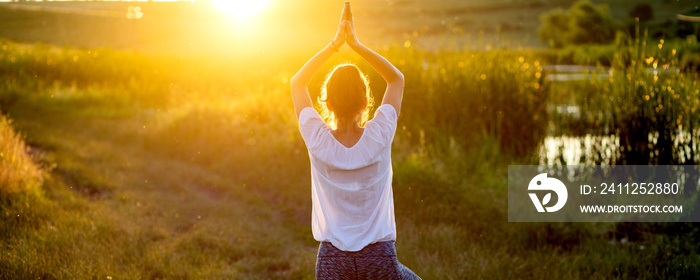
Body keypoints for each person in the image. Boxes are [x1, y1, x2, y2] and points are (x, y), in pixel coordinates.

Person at [290, 2, 420, 280]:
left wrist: (335, 44)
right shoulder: (380, 134)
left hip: (332, 260)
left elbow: (297, 83)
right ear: (365, 102)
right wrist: (356, 44)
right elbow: (396, 79)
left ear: (327, 104)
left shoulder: (317, 138)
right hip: (379, 258)